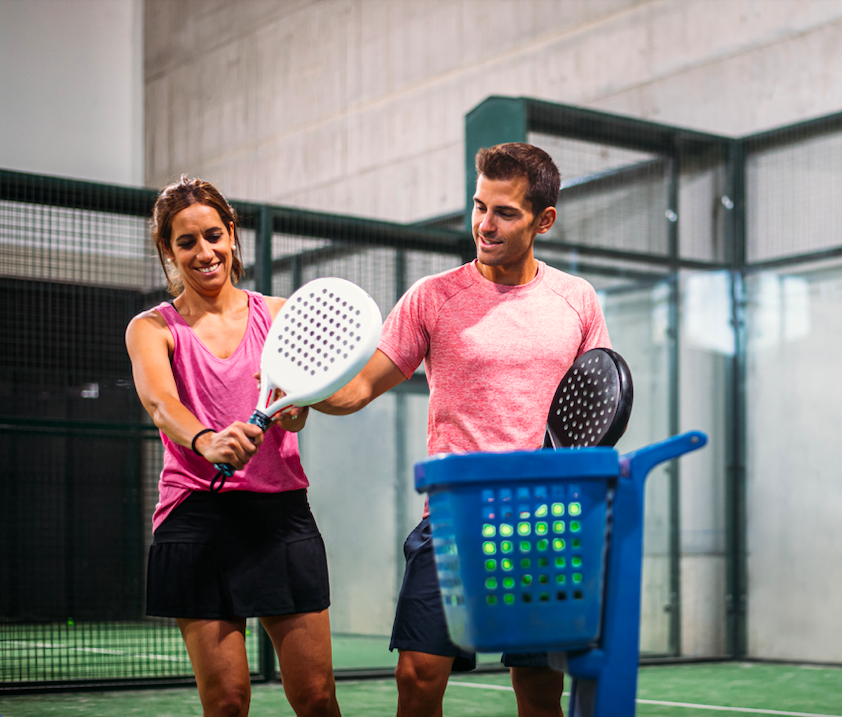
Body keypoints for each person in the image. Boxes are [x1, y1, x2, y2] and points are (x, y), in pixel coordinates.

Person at [318, 143, 612, 717]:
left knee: (539, 689)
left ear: (544, 220)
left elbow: (595, 408)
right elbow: (359, 387)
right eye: (479, 206)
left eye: (505, 212)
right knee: (417, 675)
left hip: (545, 524)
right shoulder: (433, 298)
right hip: (455, 518)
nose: (485, 224)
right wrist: (306, 396)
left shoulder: (576, 299)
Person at [125, 177, 341, 717]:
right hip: (197, 517)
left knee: (317, 698)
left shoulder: (279, 314)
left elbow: (298, 408)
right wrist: (207, 440)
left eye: (213, 236)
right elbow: (160, 403)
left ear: (231, 233)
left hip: (280, 514)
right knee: (226, 702)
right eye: (187, 242)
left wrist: (295, 411)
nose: (205, 253)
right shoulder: (152, 328)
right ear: (168, 250)